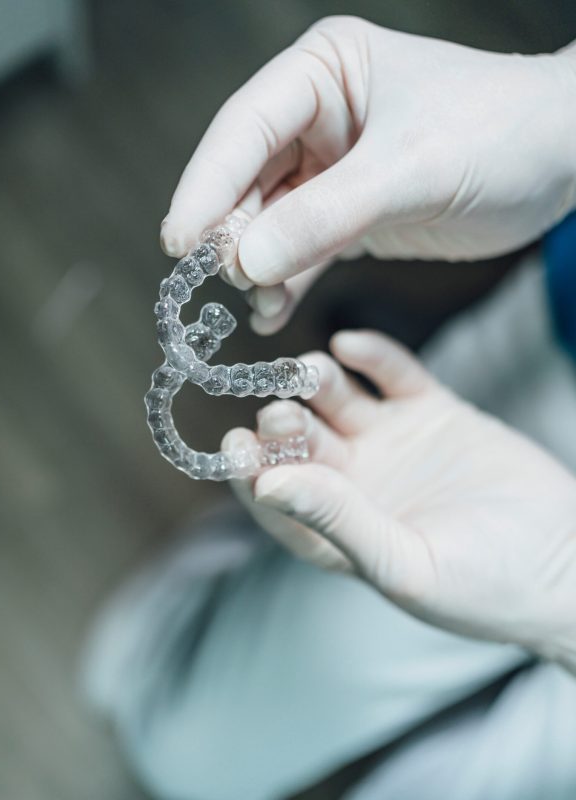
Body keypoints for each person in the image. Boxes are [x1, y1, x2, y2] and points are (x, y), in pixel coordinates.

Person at [84, 18, 576, 800]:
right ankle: (232, 579)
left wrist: (561, 600)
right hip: (557, 357)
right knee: (183, 746)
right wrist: (562, 105)